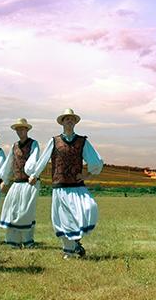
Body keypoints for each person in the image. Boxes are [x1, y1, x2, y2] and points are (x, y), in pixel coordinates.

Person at [29, 109, 103, 259]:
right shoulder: (54, 141)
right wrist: (34, 175)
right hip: (60, 185)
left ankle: (75, 242)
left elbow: (95, 161)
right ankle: (69, 250)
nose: (69, 121)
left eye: (71, 119)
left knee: (89, 208)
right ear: (62, 122)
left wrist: (86, 174)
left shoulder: (82, 141)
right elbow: (43, 159)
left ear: (75, 122)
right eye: (66, 119)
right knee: (64, 218)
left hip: (77, 185)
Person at [0, 118, 40, 248]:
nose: (20, 131)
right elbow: (10, 162)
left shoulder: (34, 144)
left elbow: (34, 159)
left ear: (27, 130)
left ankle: (28, 241)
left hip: (30, 183)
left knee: (26, 212)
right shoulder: (14, 146)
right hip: (16, 183)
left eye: (22, 128)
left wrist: (32, 173)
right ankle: (13, 242)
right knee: (12, 210)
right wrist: (5, 180)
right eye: (18, 129)